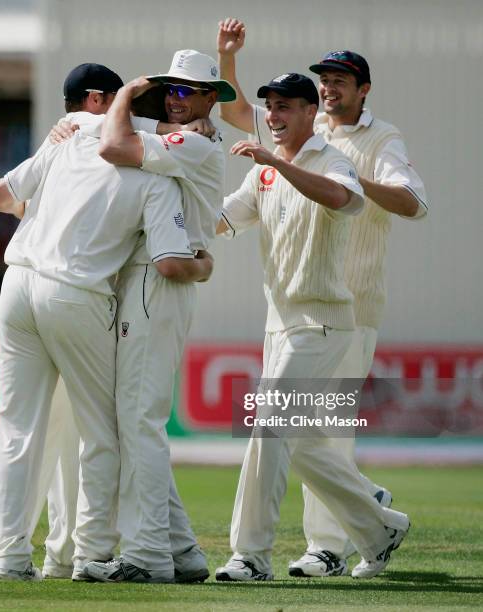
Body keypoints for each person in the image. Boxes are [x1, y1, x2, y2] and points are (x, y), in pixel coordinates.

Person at [0, 63, 213, 581]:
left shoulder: (70, 133)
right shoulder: (159, 172)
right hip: (77, 294)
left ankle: (7, 557)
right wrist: (206, 263)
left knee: (18, 430)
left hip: (17, 282)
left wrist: (54, 220)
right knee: (105, 434)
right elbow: (171, 261)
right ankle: (90, 555)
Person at [217, 18, 427, 578]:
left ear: (362, 90)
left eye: (342, 79)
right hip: (283, 315)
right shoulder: (292, 140)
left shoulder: (366, 145)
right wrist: (230, 62)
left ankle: (272, 552)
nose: (332, 86)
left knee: (286, 424)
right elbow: (239, 122)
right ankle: (374, 523)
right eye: (325, 77)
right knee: (304, 436)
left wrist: (306, 169)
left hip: (343, 312)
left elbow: (393, 201)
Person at [81, 49, 238, 583]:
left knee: (141, 423)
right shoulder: (189, 141)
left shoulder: (191, 144)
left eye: (188, 90)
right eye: (170, 89)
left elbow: (112, 145)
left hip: (158, 278)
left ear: (210, 98)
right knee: (137, 423)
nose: (175, 98)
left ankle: (148, 556)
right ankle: (183, 551)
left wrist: (124, 92)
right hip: (155, 280)